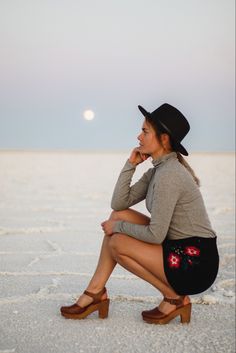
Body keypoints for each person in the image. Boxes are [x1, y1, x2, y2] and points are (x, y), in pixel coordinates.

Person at [60, 103, 219, 324]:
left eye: (145, 132)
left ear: (164, 139)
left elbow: (156, 236)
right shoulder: (158, 170)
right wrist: (130, 164)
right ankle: (95, 291)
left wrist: (118, 229)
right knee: (118, 215)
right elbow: (119, 204)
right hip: (176, 246)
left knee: (118, 243)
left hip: (195, 262)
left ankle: (174, 298)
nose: (138, 136)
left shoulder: (169, 175)